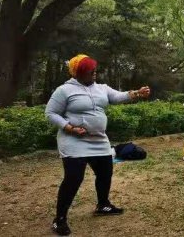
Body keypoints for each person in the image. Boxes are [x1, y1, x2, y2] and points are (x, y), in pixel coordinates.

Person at [45, 54, 150, 236]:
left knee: (105, 173)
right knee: (73, 178)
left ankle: (103, 205)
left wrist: (136, 94)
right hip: (73, 141)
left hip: (99, 140)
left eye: (94, 71)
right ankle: (59, 219)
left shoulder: (101, 88)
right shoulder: (64, 90)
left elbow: (117, 97)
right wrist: (69, 127)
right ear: (78, 73)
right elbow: (51, 113)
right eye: (89, 72)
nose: (94, 74)